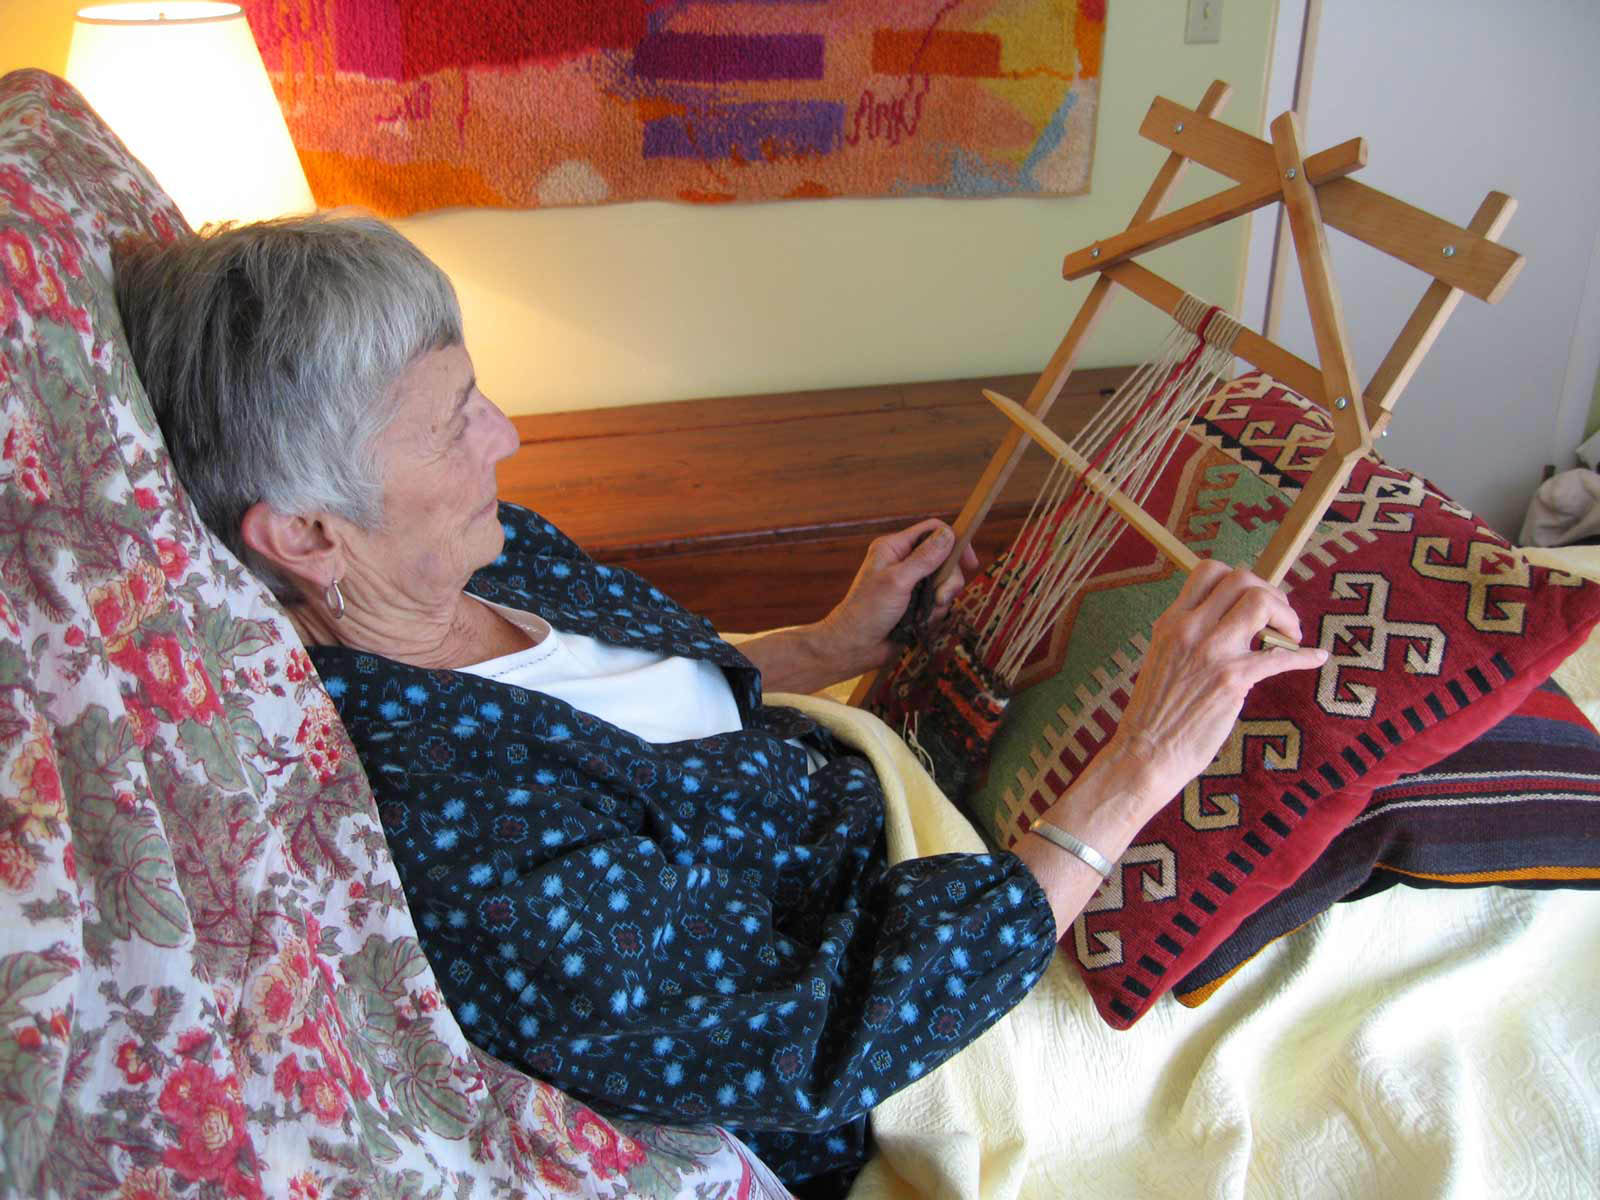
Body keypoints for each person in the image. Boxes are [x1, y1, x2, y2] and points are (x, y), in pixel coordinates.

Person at [114, 214, 1327, 1195]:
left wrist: (830, 641)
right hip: (937, 1002)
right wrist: (1141, 760)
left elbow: (638, 716)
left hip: (917, 816)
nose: (507, 434)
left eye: (476, 392)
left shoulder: (488, 556)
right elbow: (821, 1040)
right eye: (450, 426)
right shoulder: (466, 836)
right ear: (307, 535)